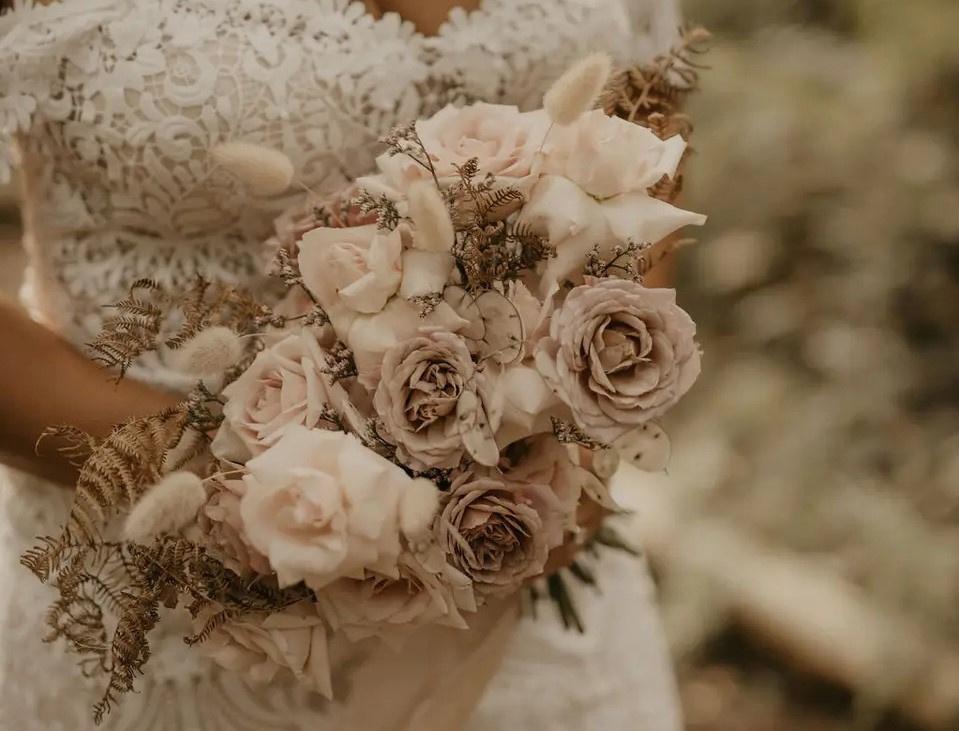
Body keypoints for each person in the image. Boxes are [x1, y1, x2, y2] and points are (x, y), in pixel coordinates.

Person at [0, 1, 686, 728]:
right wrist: (269, 489)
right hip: (174, 614)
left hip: (531, 595)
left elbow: (651, 117)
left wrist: (579, 417)